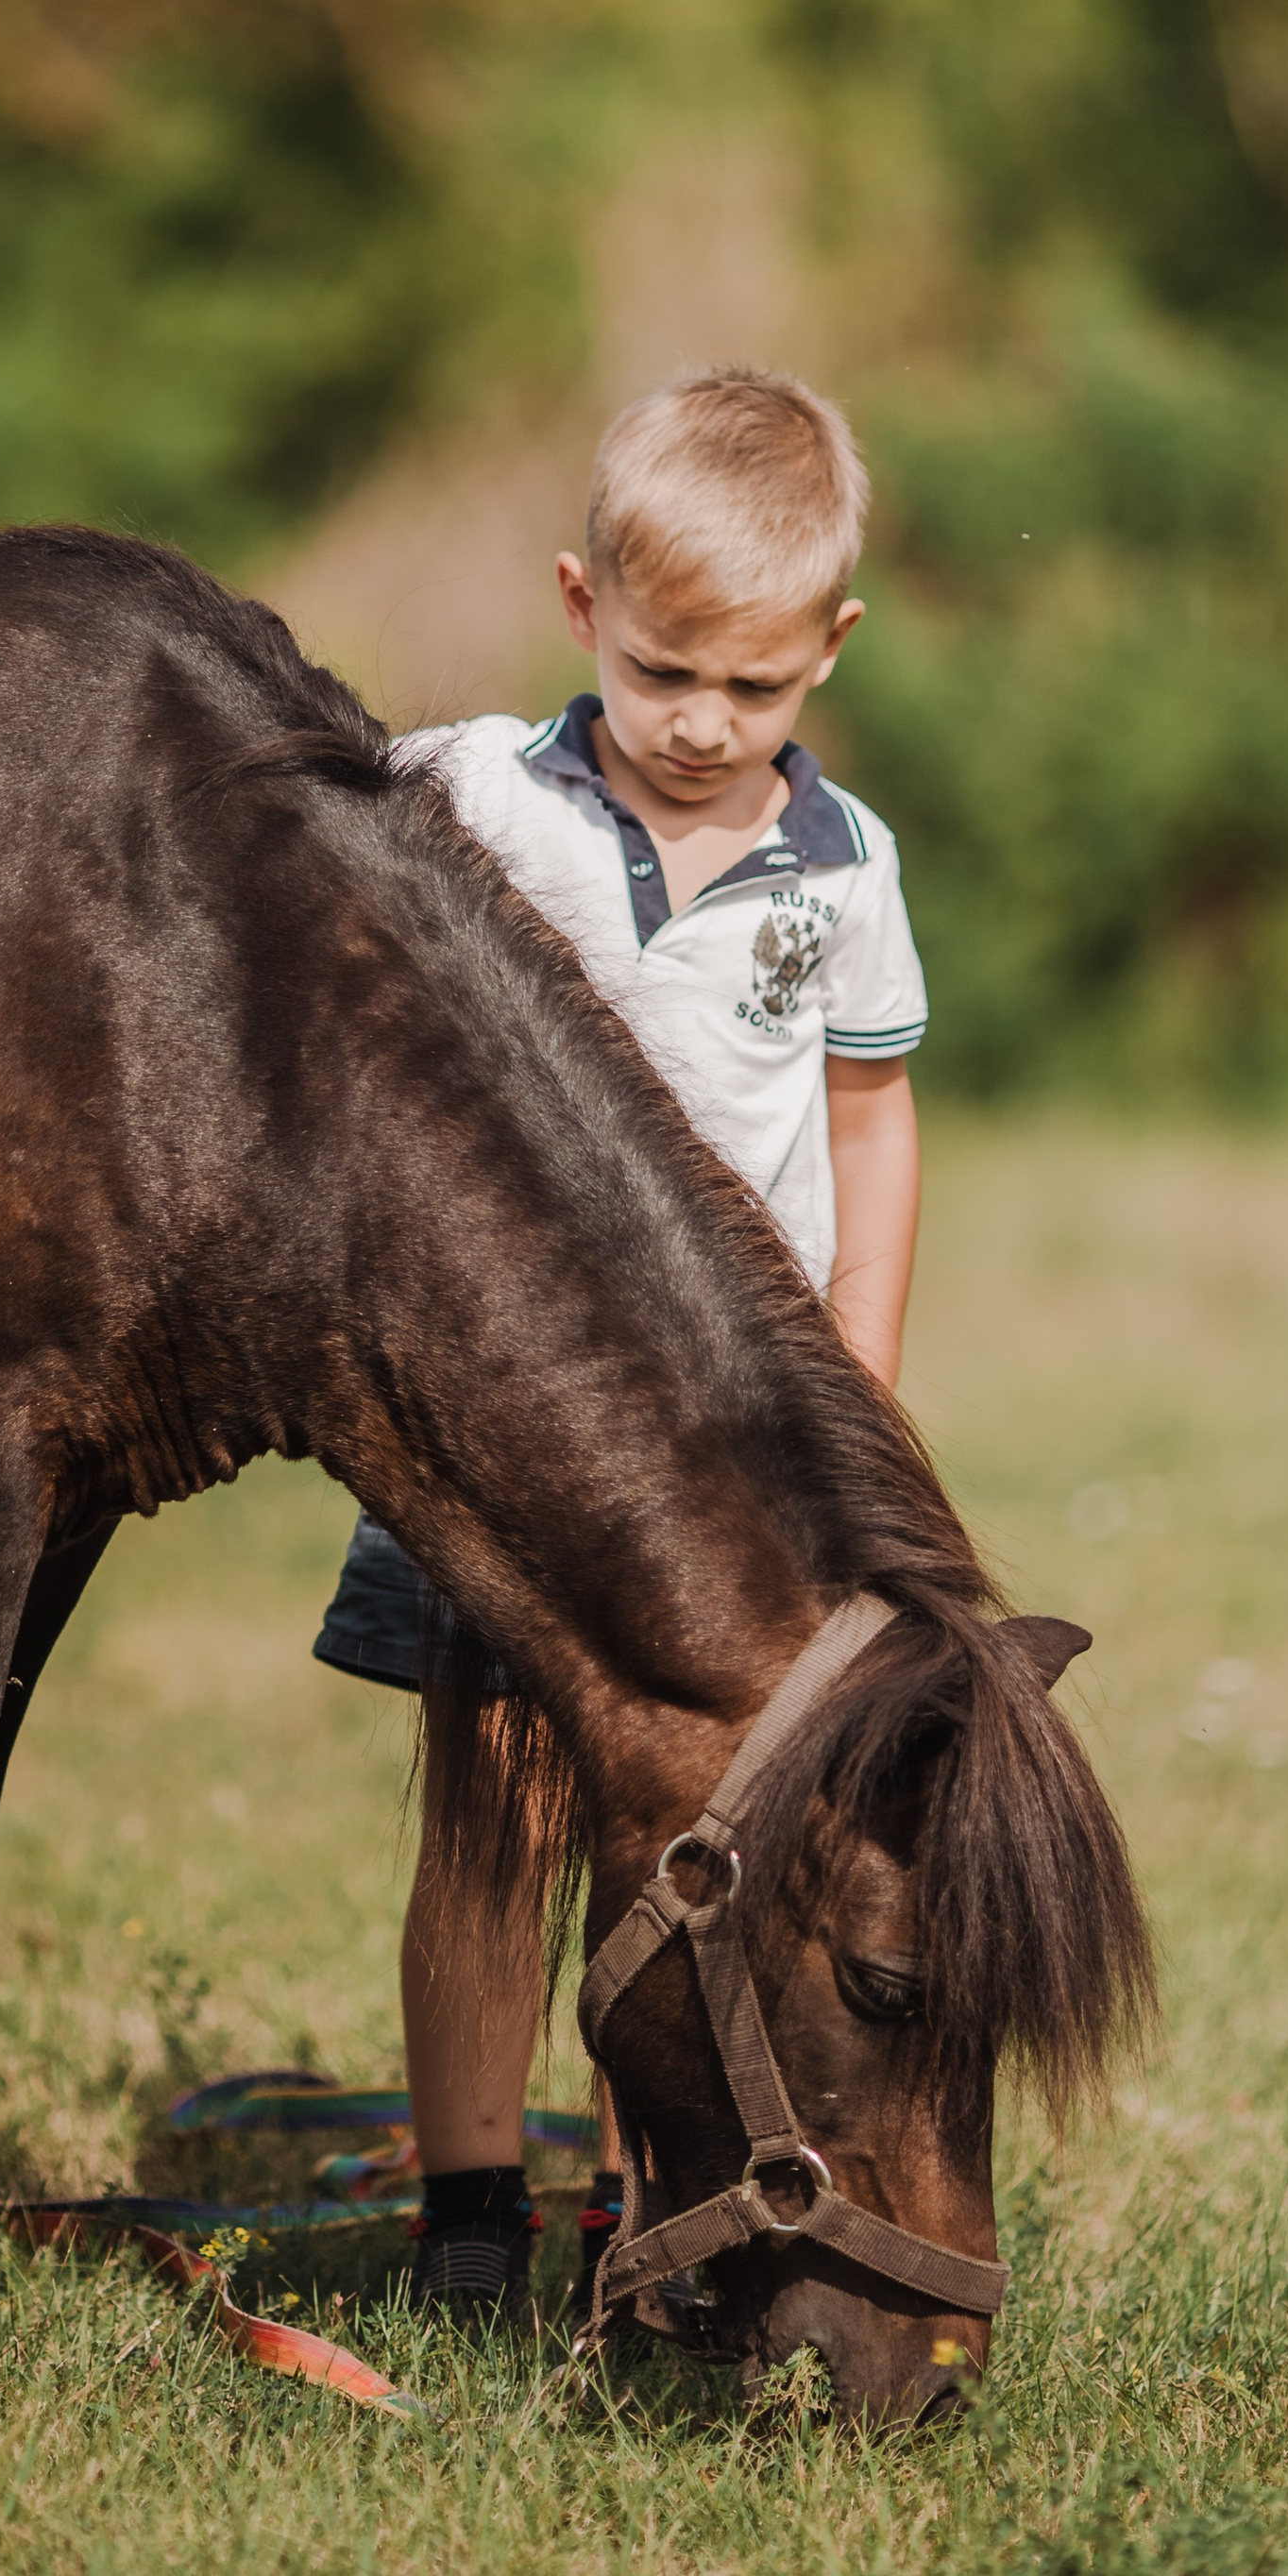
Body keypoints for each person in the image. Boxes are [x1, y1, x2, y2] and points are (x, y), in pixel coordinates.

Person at [312, 365, 928, 2315]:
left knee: (690, 1846)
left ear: (829, 648)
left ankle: (638, 2216)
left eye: (754, 686)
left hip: (731, 1471)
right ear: (581, 606)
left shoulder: (843, 869)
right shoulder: (471, 799)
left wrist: (858, 1391)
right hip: (493, 1439)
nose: (702, 722)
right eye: (663, 671)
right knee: (489, 1830)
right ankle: (469, 2218)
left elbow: (869, 1126)